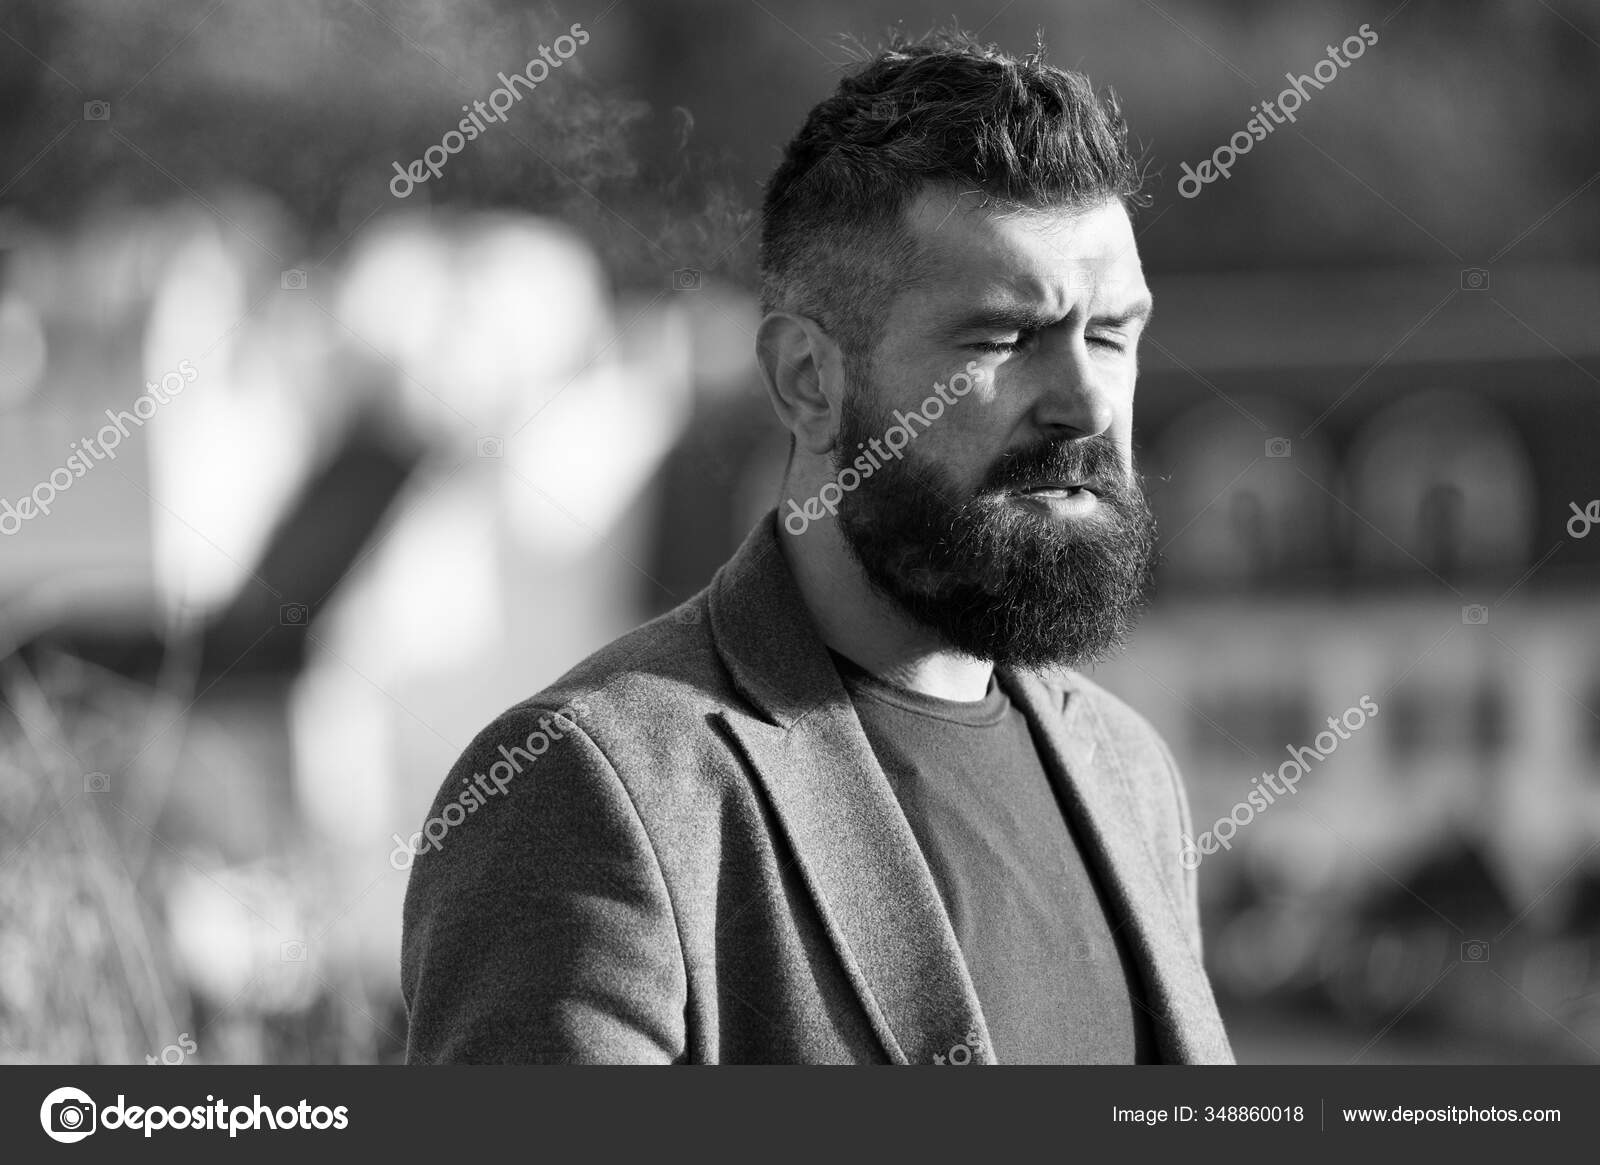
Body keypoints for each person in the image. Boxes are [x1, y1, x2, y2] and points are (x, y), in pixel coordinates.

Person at [401, 27, 1233, 1064]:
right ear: (807, 379)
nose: (1082, 403)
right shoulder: (589, 791)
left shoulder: (1129, 772)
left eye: (1110, 335)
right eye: (1001, 337)